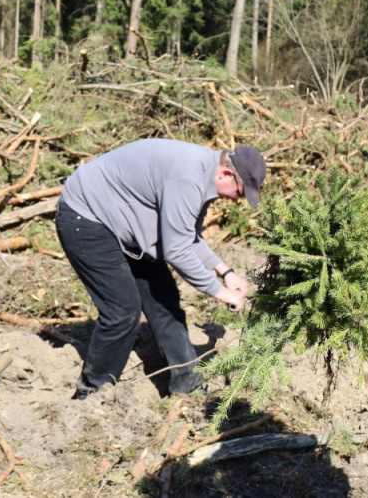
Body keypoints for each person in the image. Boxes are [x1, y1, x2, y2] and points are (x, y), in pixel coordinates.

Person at [55, 139, 266, 398]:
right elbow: (177, 251)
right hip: (87, 217)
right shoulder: (188, 178)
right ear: (225, 174)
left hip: (126, 224)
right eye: (240, 192)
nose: (237, 200)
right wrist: (221, 292)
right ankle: (93, 392)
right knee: (122, 311)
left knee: (164, 296)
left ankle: (186, 383)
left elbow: (188, 236)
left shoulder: (204, 175)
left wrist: (226, 272)